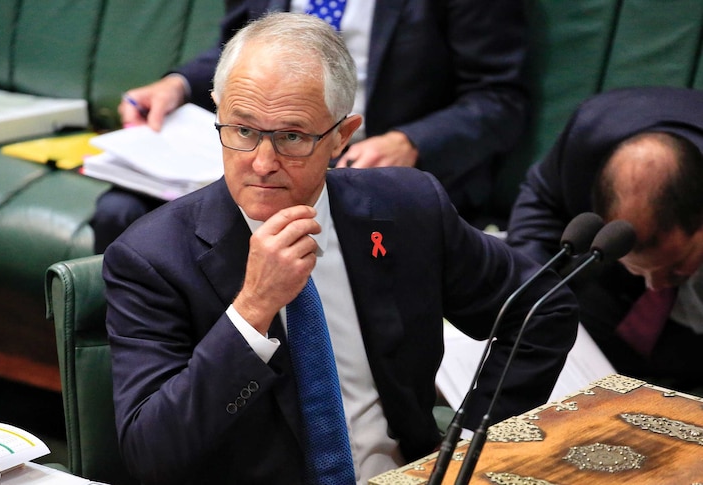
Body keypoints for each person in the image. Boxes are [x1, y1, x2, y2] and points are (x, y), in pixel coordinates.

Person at [104, 12, 576, 485]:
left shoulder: (407, 209)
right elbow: (152, 455)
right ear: (218, 112)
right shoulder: (151, 259)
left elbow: (541, 306)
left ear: (341, 137)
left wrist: (471, 444)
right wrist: (252, 310)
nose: (262, 163)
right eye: (243, 131)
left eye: (291, 136)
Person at [91, 0, 529, 253]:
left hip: (368, 162)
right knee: (122, 212)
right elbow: (243, 51)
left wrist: (410, 142)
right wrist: (178, 84)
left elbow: (500, 99)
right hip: (262, 143)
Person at [506, 86, 703, 394]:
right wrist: (531, 289)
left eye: (675, 266)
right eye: (642, 268)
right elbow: (542, 201)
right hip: (610, 285)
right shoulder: (589, 136)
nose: (656, 284)